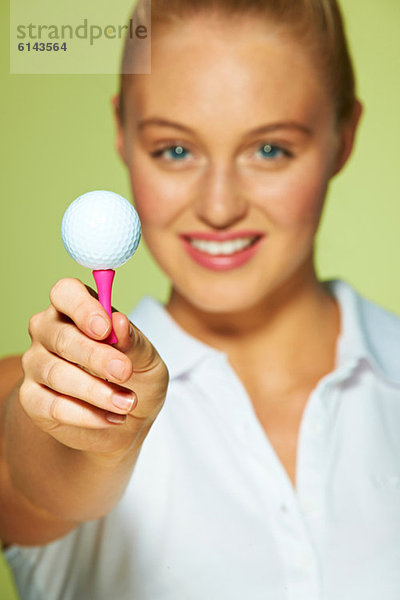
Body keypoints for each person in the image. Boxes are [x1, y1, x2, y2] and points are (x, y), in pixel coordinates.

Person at [1, 0, 400, 598]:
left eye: (270, 150)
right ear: (123, 132)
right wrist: (96, 439)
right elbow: (37, 478)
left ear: (344, 137)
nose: (218, 208)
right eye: (175, 150)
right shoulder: (39, 388)